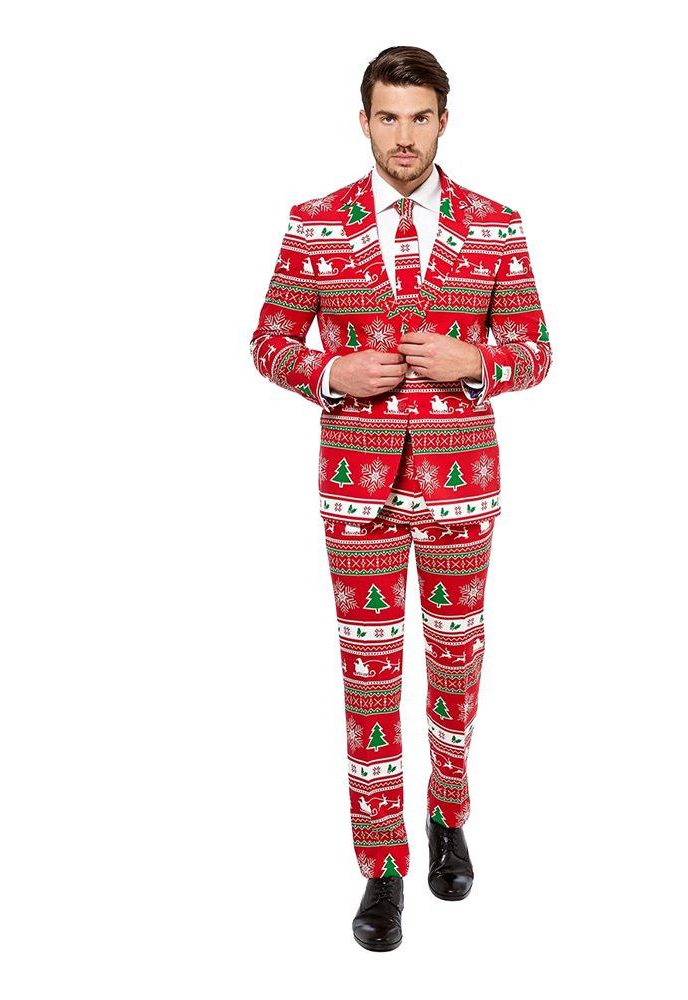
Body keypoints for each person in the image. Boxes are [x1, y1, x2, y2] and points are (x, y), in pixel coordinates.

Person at [249, 45, 552, 951]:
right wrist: (328, 372)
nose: (405, 136)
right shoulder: (315, 225)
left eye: (421, 117)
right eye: (389, 117)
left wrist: (478, 362)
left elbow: (536, 350)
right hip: (358, 489)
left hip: (463, 487)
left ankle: (448, 815)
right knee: (369, 673)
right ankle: (381, 865)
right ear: (365, 121)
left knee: (456, 663)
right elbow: (268, 339)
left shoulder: (496, 225)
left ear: (443, 121)